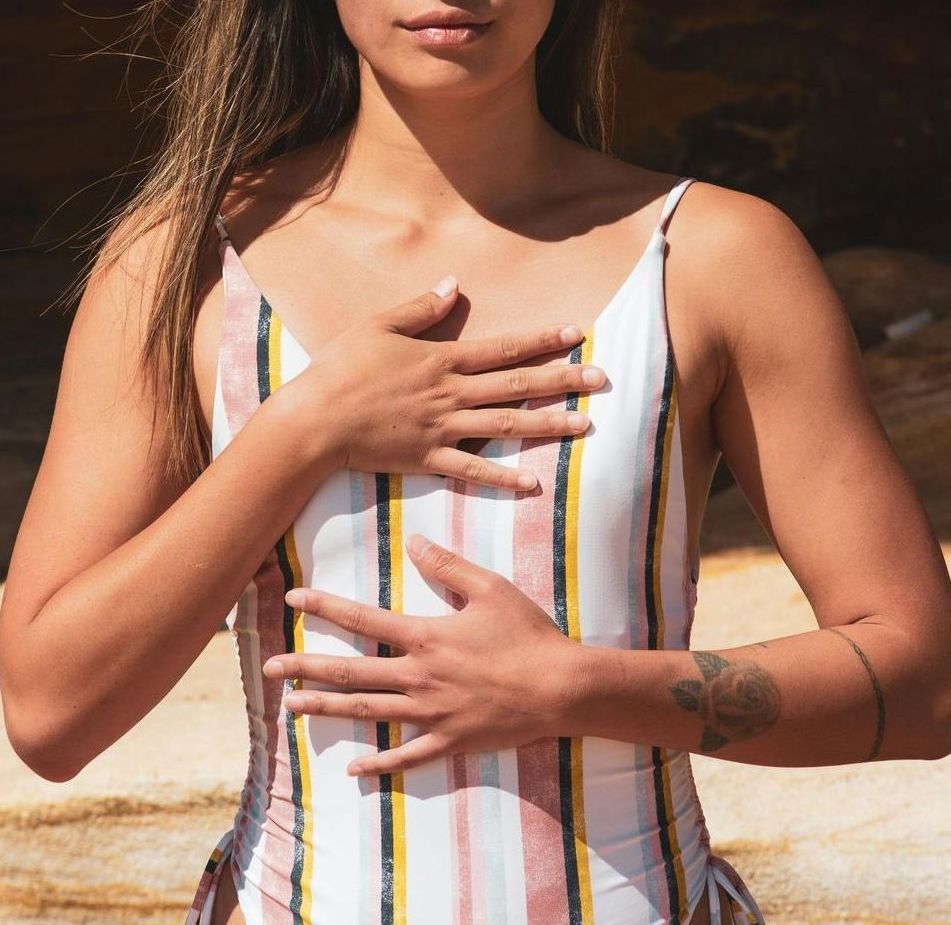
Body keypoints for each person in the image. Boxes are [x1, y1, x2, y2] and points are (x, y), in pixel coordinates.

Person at [1, 2, 949, 924]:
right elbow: (49, 712)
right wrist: (306, 427)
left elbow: (925, 685)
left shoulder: (714, 257)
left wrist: (571, 687)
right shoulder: (182, 266)